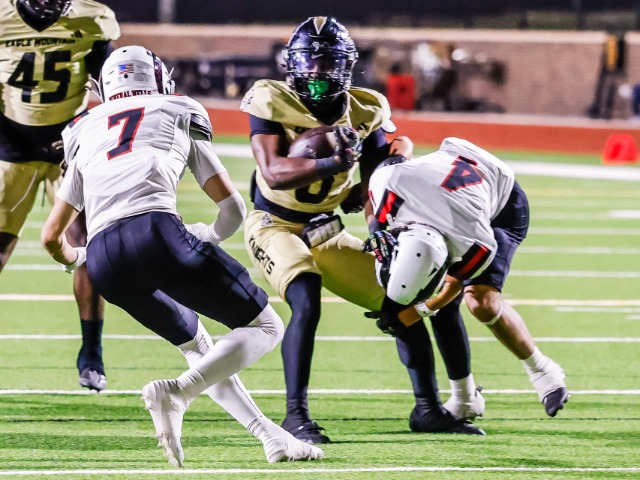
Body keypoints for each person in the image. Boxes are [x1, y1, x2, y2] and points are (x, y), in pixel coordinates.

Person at [40, 45, 324, 466]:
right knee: (266, 326)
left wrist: (77, 260)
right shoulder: (176, 109)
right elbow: (233, 210)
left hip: (103, 259)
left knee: (201, 353)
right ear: (157, 78)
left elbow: (51, 236)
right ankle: (178, 393)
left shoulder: (84, 129)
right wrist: (205, 235)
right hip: (156, 231)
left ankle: (271, 437)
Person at [240, 16, 484, 444]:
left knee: (402, 297)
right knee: (305, 298)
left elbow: (377, 182)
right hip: (273, 223)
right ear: (292, 64)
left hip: (326, 229)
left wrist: (379, 227)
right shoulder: (270, 98)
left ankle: (427, 409)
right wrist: (333, 163)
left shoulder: (366, 108)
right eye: (309, 62)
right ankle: (295, 416)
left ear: (347, 66)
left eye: (327, 63)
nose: (317, 72)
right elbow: (274, 173)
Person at [365, 136, 570, 418]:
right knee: (442, 303)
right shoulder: (386, 181)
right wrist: (375, 231)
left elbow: (452, 287)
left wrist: (419, 311)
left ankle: (543, 371)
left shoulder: (473, 239)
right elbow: (401, 146)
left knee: (481, 302)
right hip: (450, 184)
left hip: (501, 200)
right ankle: (465, 399)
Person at [0, 0, 121, 391]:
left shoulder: (92, 18)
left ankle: (92, 352)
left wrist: (87, 131)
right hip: (10, 145)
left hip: (68, 146)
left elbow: (112, 89)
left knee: (86, 246)